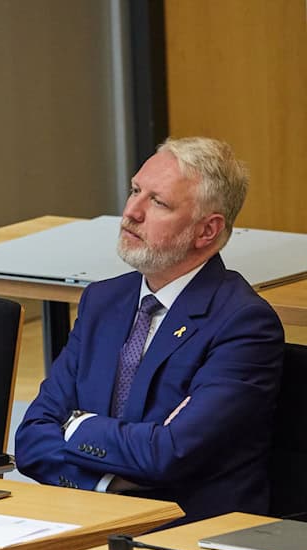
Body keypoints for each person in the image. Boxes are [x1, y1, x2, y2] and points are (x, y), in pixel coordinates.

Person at [15, 137, 284, 524]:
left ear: (206, 230)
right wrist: (106, 484)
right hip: (87, 520)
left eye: (158, 202)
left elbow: (169, 454)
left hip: (187, 535)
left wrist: (76, 425)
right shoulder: (103, 301)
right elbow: (32, 439)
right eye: (135, 191)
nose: (131, 212)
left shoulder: (242, 323)